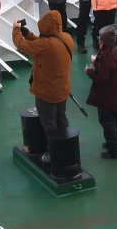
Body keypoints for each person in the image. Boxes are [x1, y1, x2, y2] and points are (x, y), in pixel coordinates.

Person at [12, 11, 74, 140]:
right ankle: (65, 147)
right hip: (62, 89)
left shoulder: (46, 45)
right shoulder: (67, 37)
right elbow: (45, 43)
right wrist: (28, 34)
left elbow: (21, 45)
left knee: (49, 123)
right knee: (61, 118)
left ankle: (53, 152)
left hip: (47, 93)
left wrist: (16, 30)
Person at [85, 27, 117, 158]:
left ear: (104, 43)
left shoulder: (106, 57)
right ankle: (116, 141)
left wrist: (89, 71)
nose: (99, 43)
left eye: (100, 41)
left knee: (107, 121)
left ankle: (113, 149)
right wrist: (97, 61)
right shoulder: (116, 52)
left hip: (107, 97)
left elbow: (101, 79)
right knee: (114, 119)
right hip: (116, 95)